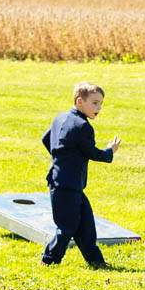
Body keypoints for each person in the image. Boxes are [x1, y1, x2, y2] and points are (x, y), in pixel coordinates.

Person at [40, 81, 120, 268]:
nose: (99, 107)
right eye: (94, 103)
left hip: (64, 181)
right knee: (67, 227)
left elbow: (46, 139)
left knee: (85, 223)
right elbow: (93, 153)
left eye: (101, 103)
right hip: (67, 184)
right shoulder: (83, 126)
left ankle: (95, 261)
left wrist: (61, 156)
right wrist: (110, 151)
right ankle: (49, 260)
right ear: (79, 102)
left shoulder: (60, 118)